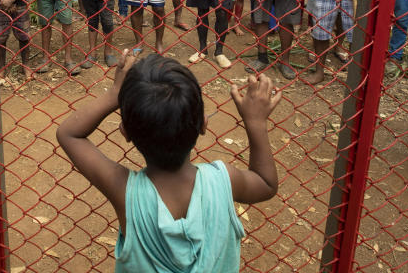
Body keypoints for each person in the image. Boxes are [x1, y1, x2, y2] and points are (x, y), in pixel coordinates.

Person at [56, 51, 281, 273]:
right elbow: (265, 183)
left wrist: (115, 93)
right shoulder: (224, 180)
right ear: (203, 124)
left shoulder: (125, 192)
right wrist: (255, 122)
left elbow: (69, 134)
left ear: (125, 132)